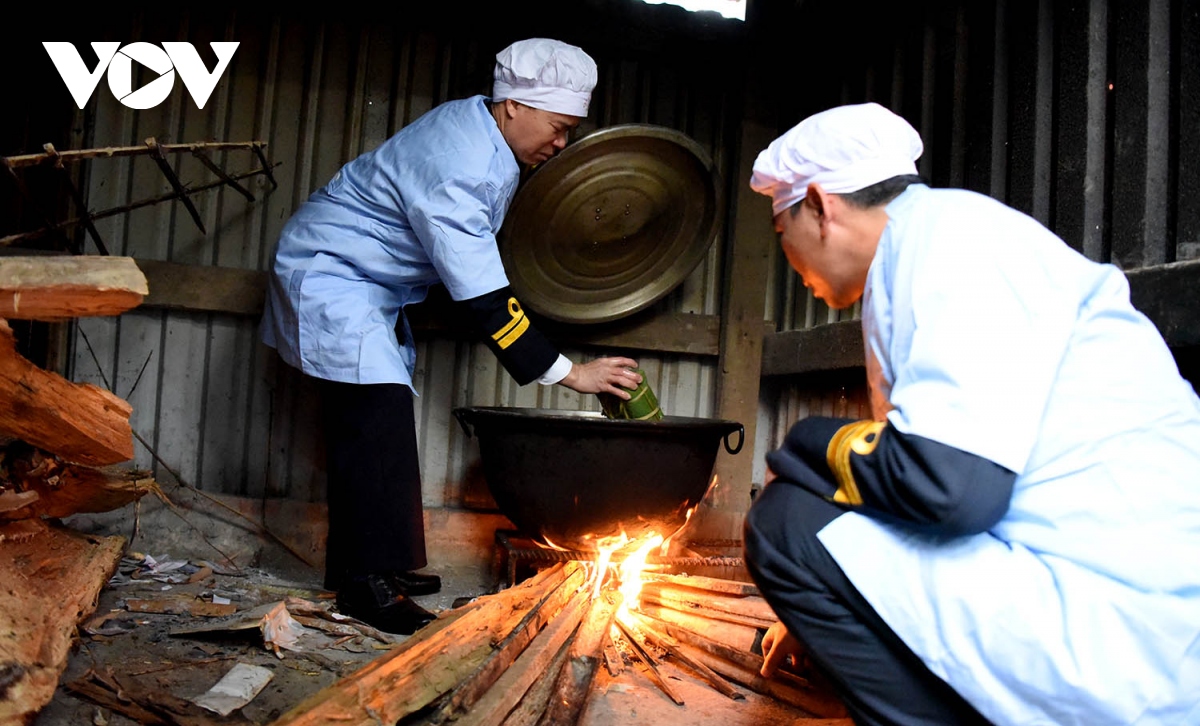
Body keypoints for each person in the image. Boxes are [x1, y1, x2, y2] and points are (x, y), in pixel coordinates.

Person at [742, 102, 1200, 725]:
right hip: (1123, 608)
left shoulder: (952, 247)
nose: (790, 265)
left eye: (781, 233)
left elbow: (950, 486)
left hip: (1125, 632)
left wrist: (805, 443)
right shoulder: (932, 241)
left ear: (820, 207)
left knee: (786, 521)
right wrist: (846, 602)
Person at [260, 38, 643, 635]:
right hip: (332, 273)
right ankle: (367, 586)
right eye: (559, 126)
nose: (562, 143)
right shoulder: (461, 160)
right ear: (513, 105)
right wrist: (573, 373)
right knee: (374, 417)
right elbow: (482, 293)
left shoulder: (486, 134)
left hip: (365, 283)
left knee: (374, 420)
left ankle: (374, 564)